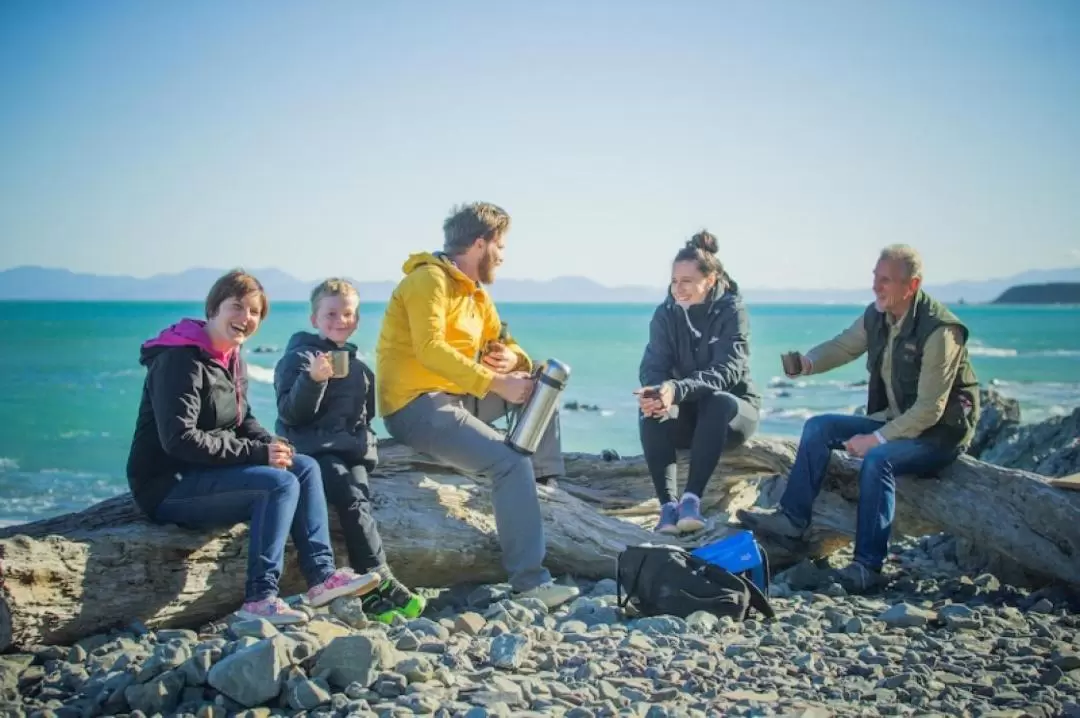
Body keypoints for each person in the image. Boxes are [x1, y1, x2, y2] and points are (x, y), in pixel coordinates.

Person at [126, 270, 380, 625]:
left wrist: (272, 444)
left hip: (206, 471)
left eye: (255, 312)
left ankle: (322, 577)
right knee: (278, 484)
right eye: (237, 307)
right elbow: (179, 440)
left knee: (303, 466)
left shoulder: (231, 357)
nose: (246, 318)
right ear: (214, 307)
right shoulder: (179, 360)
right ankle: (260, 599)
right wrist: (258, 455)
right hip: (168, 486)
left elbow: (242, 420)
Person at [738, 245, 980, 593]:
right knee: (819, 428)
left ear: (911, 286)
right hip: (899, 420)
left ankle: (868, 566)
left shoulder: (941, 331)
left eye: (885, 280)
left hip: (938, 435)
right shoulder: (878, 315)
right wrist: (808, 363)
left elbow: (930, 409)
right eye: (874, 278)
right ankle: (792, 520)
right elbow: (844, 346)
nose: (876, 286)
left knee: (877, 461)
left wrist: (876, 440)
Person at [375, 201, 580, 609]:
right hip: (416, 405)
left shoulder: (476, 294)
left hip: (460, 396)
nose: (503, 256)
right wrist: (496, 382)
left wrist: (514, 361)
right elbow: (430, 349)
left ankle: (543, 488)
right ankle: (530, 582)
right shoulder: (427, 281)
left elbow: (505, 341)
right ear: (480, 243)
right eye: (500, 247)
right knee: (509, 461)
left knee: (542, 384)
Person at [273, 278, 426, 623]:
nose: (339, 320)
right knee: (348, 496)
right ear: (314, 319)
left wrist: (366, 451)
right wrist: (313, 380)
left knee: (359, 499)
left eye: (347, 314)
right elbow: (290, 414)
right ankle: (381, 578)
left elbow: (364, 419)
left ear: (356, 320)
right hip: (312, 452)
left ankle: (370, 596)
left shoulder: (361, 370)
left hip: (348, 453)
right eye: (330, 313)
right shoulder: (297, 360)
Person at [636, 231, 761, 534]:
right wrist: (657, 391)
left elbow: (727, 371)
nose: (679, 289)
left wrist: (676, 389)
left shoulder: (733, 311)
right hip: (687, 417)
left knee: (716, 400)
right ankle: (668, 507)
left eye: (687, 281)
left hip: (731, 416)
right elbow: (654, 363)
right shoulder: (666, 314)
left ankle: (691, 500)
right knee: (650, 405)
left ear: (711, 279)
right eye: (675, 281)